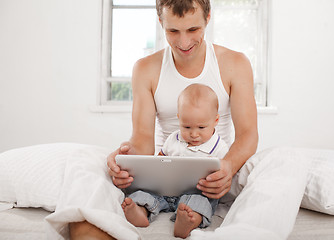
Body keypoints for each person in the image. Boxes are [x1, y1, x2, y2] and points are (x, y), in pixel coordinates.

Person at [69, 0, 258, 238]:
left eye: (193, 30)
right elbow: (142, 141)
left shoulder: (235, 64)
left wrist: (228, 168)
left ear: (207, 18)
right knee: (83, 166)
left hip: (214, 173)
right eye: (173, 31)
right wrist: (124, 159)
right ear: (161, 22)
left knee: (281, 163)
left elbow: (248, 135)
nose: (183, 42)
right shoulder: (145, 68)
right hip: (165, 171)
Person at [122, 83, 229, 239]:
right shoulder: (173, 139)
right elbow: (160, 159)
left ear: (216, 120)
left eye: (201, 127)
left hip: (196, 193)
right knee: (142, 194)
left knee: (202, 203)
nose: (193, 134)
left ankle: (188, 221)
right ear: (179, 118)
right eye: (186, 127)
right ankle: (140, 212)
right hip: (165, 192)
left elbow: (225, 174)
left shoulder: (219, 147)